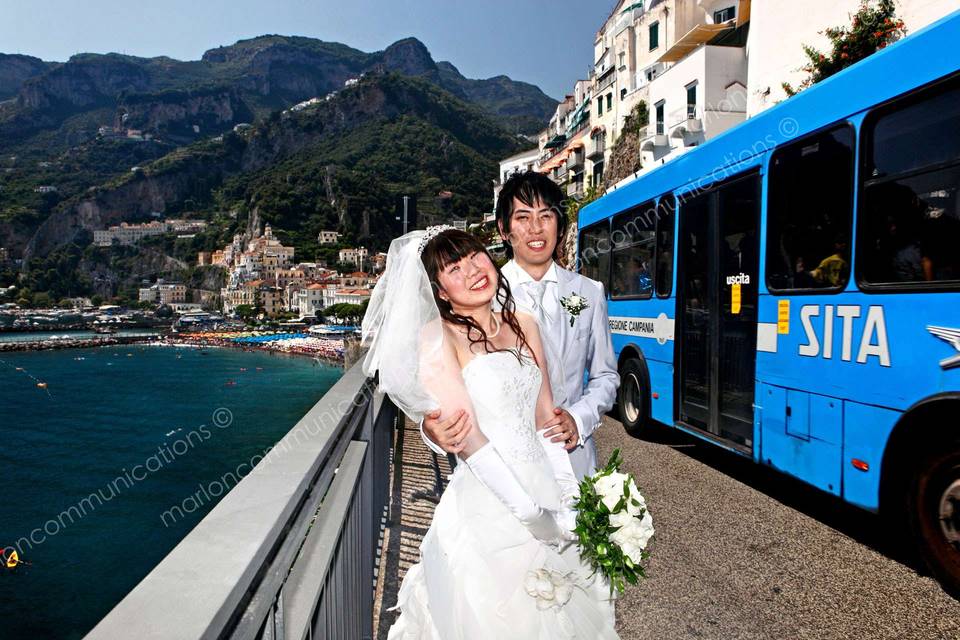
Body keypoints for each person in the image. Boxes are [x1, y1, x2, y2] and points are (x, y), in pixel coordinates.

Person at [363, 227, 619, 639]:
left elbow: (546, 420)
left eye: (475, 257)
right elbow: (469, 439)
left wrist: (571, 499)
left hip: (546, 483)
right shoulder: (437, 337)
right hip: (490, 499)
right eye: (454, 269)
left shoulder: (526, 324)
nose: (472, 271)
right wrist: (533, 516)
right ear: (440, 292)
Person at [421, 171, 619, 480]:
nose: (536, 229)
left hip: (574, 461)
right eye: (523, 218)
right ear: (504, 229)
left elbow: (605, 375)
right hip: (500, 472)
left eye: (546, 216)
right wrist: (430, 430)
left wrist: (578, 419)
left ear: (560, 224)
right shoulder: (478, 292)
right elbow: (439, 392)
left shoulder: (590, 292)